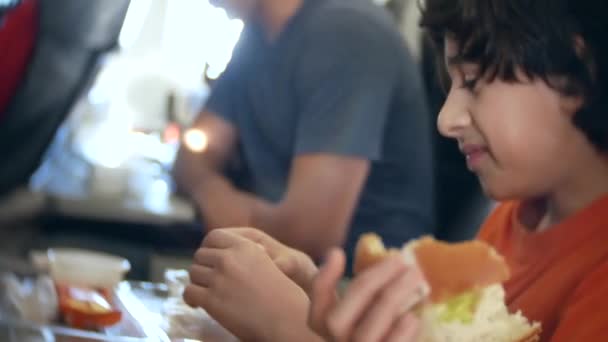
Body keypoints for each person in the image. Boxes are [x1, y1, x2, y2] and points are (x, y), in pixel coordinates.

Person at [183, 0, 608, 341]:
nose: (446, 120)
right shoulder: (512, 218)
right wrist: (324, 301)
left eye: (474, 82)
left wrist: (287, 327)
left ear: (575, 70)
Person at [173, 0, 433, 266]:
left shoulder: (347, 32)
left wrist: (227, 207)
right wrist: (213, 193)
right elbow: (190, 156)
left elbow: (308, 236)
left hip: (355, 283)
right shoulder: (256, 36)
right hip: (273, 263)